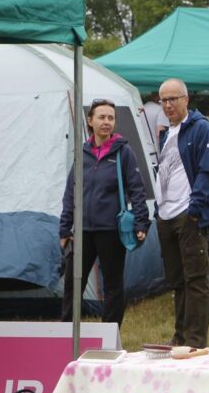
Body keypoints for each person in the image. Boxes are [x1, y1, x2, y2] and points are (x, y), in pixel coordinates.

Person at [59, 99, 150, 327]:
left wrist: (141, 222)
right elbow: (71, 192)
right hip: (82, 231)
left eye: (111, 117)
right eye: (101, 117)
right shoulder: (82, 153)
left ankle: (110, 334)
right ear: (90, 121)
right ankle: (66, 333)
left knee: (113, 286)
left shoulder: (123, 152)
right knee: (73, 284)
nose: (106, 122)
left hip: (111, 231)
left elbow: (137, 189)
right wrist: (64, 228)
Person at [155, 78, 209, 347]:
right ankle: (180, 337)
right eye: (164, 100)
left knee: (195, 279)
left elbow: (208, 169)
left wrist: (195, 208)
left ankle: (195, 340)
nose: (168, 105)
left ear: (186, 99)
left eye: (173, 99)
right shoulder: (166, 133)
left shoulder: (201, 128)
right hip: (166, 215)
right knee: (177, 280)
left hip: (187, 214)